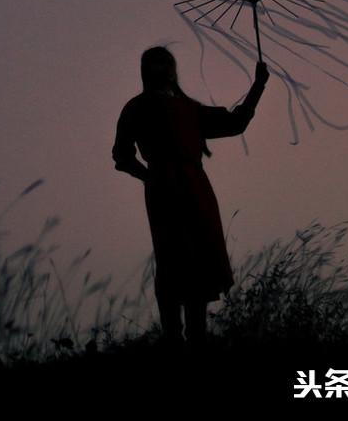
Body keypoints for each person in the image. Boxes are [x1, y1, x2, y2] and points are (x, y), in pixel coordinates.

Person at [112, 46, 269, 346]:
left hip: (196, 187)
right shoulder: (137, 108)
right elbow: (122, 154)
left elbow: (235, 123)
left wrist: (258, 86)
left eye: (165, 63)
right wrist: (149, 177)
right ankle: (173, 335)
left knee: (200, 254)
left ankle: (197, 334)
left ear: (172, 69)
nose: (161, 69)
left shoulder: (189, 109)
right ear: (146, 70)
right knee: (172, 255)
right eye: (154, 64)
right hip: (165, 188)